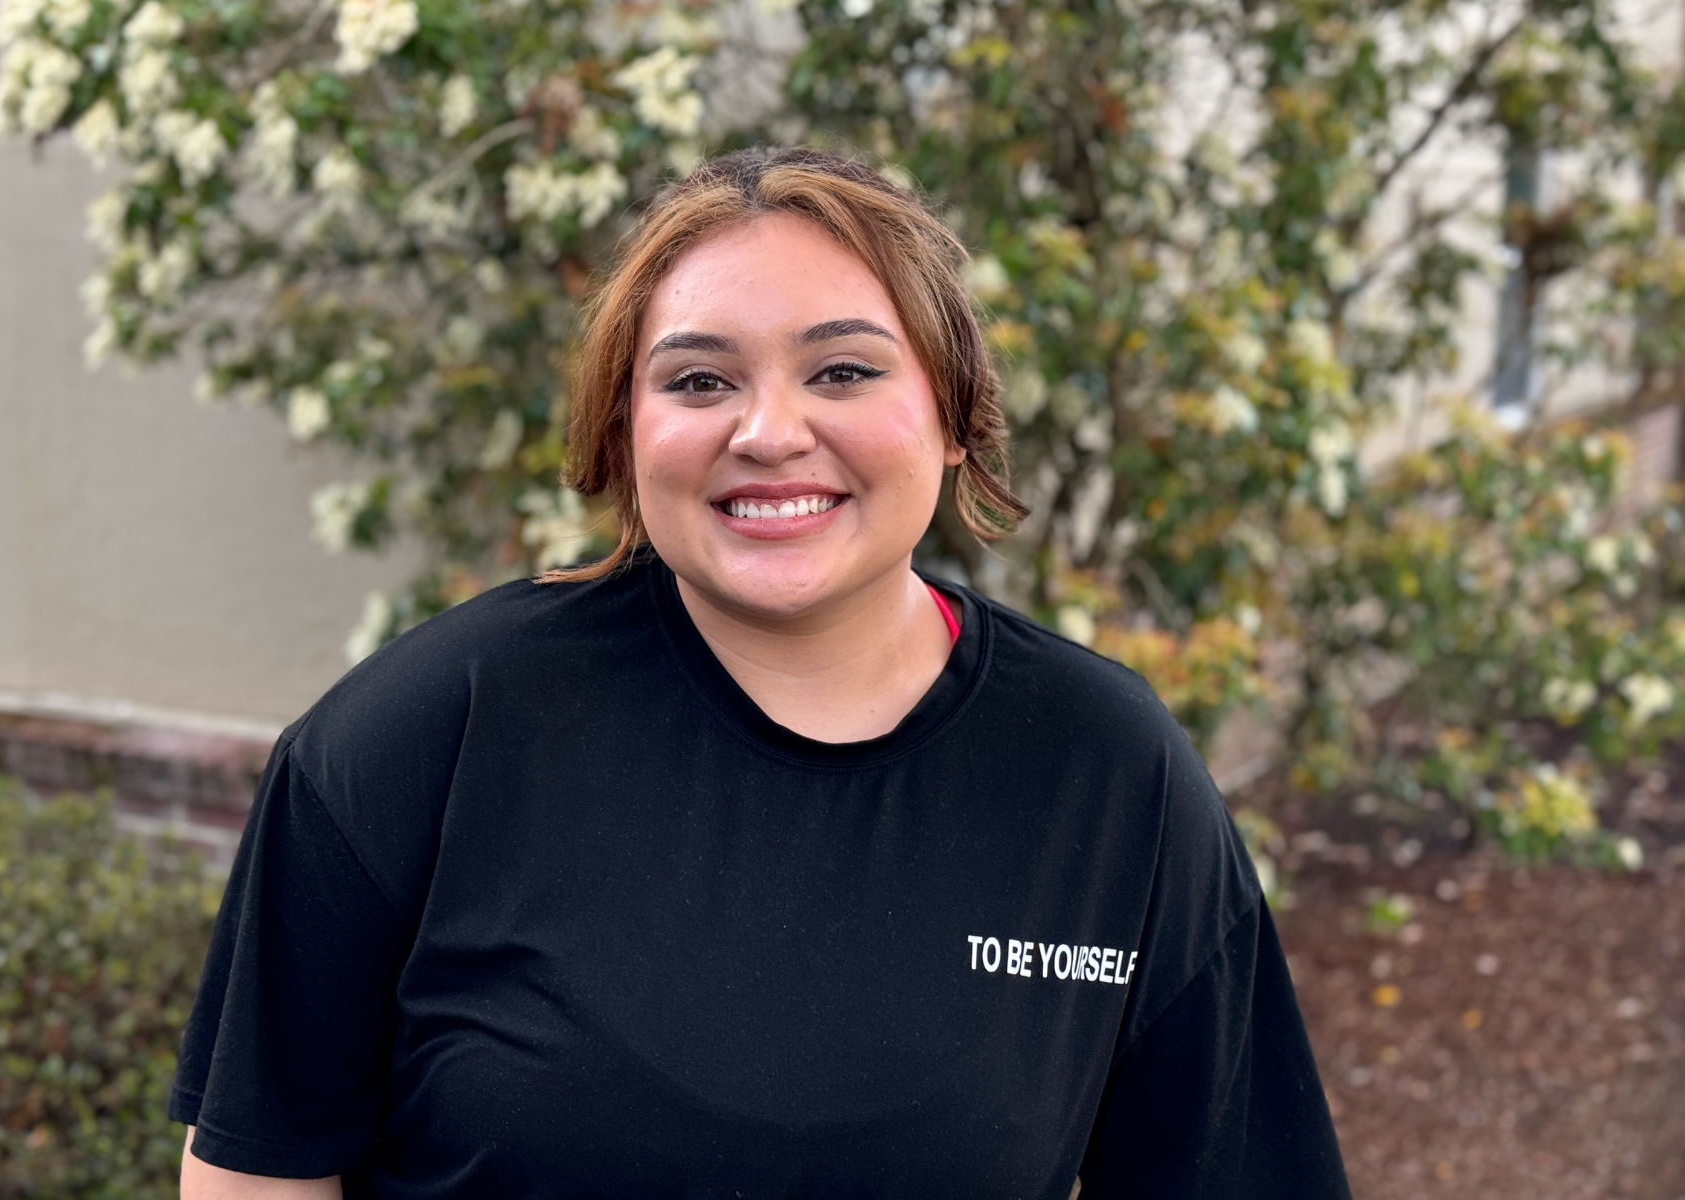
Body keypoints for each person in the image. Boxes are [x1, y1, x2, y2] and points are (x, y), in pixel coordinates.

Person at [173, 146, 1351, 1199]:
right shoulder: (421, 734)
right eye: (699, 380)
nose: (770, 431)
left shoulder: (1105, 773)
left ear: (951, 416)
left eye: (843, 371)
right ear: (624, 433)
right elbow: (258, 1177)